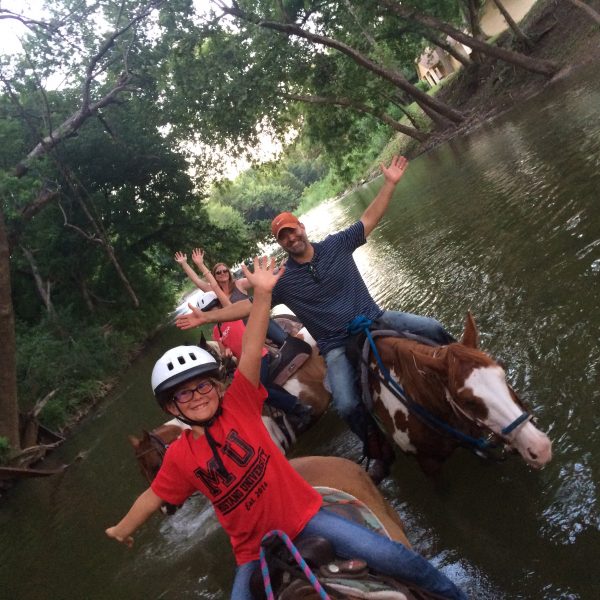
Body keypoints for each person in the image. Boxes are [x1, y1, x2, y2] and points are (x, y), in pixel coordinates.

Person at [105, 256, 466, 600]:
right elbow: (153, 497)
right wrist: (122, 529)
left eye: (203, 386)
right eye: (185, 394)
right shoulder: (181, 455)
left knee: (397, 559)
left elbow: (249, 351)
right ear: (171, 407)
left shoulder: (240, 403)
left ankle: (454, 594)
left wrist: (262, 295)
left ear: (217, 387)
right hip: (251, 553)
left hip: (306, 517)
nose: (198, 396)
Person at [176, 156, 455, 485]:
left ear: (302, 229)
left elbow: (369, 218)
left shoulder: (337, 244)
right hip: (335, 344)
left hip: (374, 320)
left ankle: (464, 377)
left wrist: (390, 183)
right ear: (280, 243)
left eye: (292, 231)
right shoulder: (284, 280)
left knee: (434, 329)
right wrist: (204, 317)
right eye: (283, 237)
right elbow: (249, 308)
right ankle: (378, 450)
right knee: (347, 403)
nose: (290, 239)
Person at [198, 289, 313, 434]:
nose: (210, 313)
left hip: (259, 355)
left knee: (259, 389)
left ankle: (299, 408)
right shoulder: (217, 331)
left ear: (219, 305)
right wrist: (226, 353)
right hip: (245, 365)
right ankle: (289, 413)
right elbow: (223, 351)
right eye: (207, 311)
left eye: (211, 308)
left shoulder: (233, 314)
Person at [175, 248, 309, 357]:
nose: (222, 273)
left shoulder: (239, 284)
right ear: (214, 276)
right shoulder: (213, 291)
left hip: (258, 320)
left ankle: (297, 347)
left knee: (284, 340)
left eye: (225, 270)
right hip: (242, 332)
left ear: (229, 272)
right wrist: (184, 263)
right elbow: (197, 281)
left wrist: (278, 270)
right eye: (218, 272)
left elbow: (258, 280)